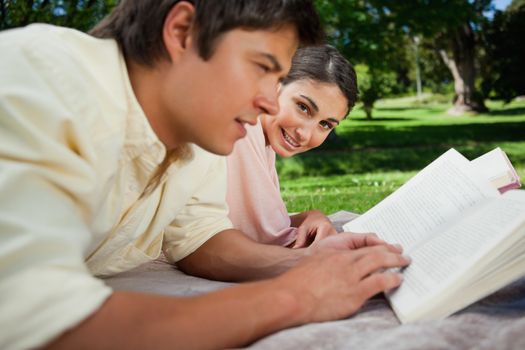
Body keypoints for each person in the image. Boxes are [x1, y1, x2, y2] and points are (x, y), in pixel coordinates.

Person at [0, 1, 410, 349]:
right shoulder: (42, 78)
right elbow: (32, 316)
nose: (269, 102)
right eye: (262, 68)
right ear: (182, 32)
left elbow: (200, 237)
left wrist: (303, 262)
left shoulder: (196, 139)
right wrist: (293, 297)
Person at [227, 45, 357, 247]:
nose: (305, 134)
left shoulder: (263, 140)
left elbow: (264, 221)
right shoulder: (242, 129)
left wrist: (310, 217)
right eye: (303, 107)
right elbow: (262, 235)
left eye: (325, 125)